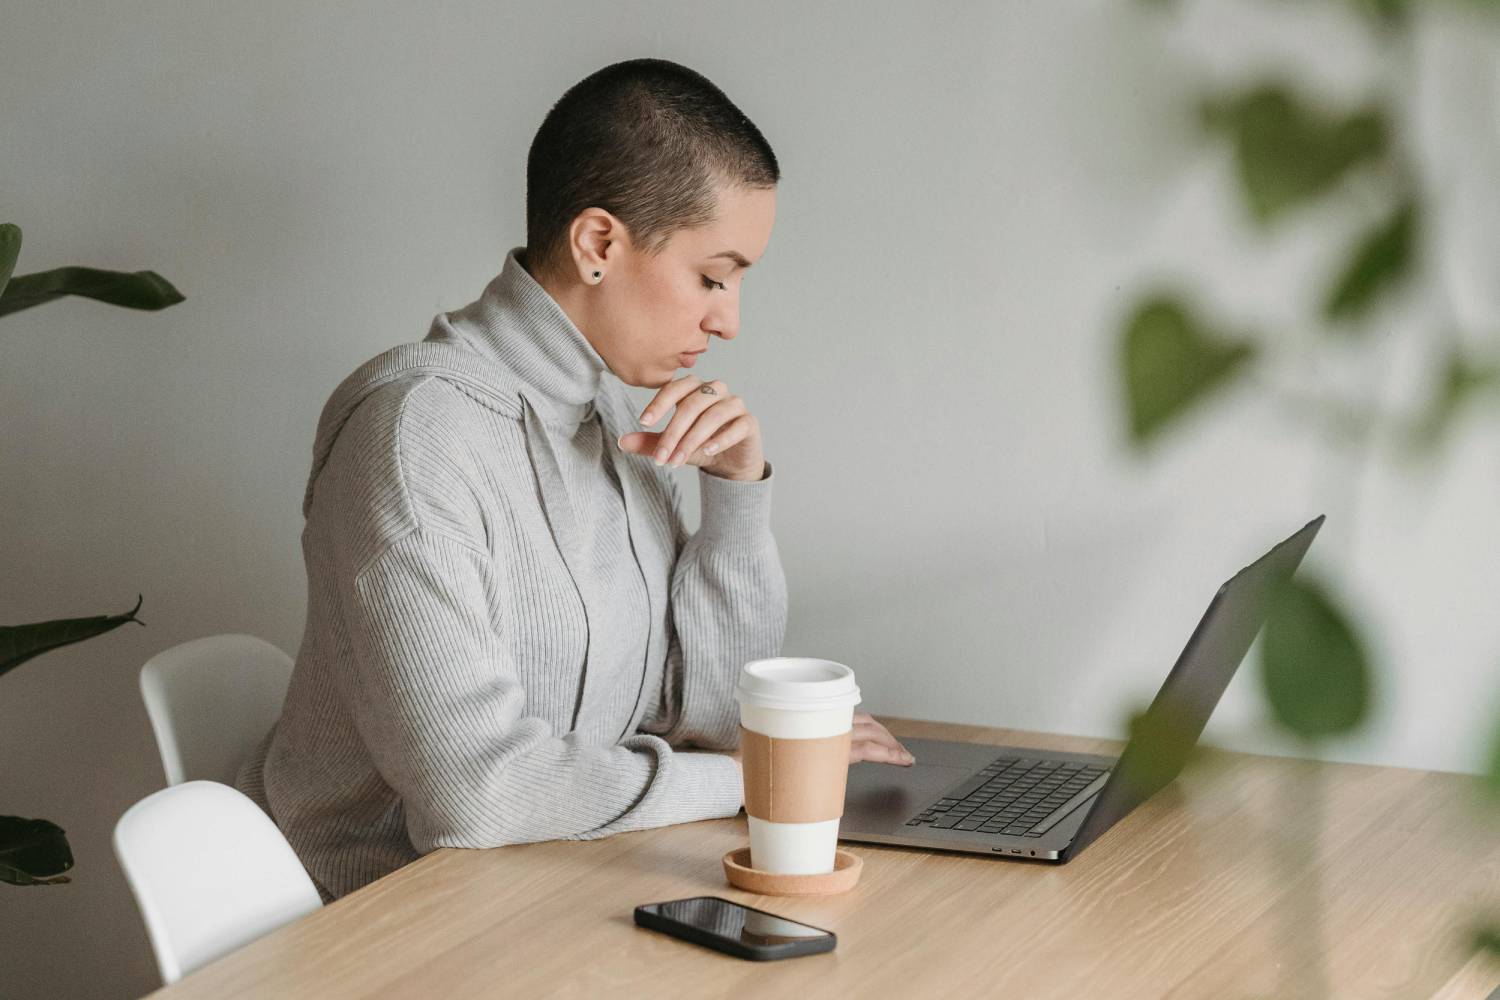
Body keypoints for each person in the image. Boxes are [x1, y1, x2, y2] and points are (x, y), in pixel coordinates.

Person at [236, 57, 913, 903]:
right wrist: (769, 780)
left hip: (558, 889)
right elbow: (475, 794)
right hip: (391, 923)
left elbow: (706, 716)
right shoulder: (414, 435)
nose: (729, 319)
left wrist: (736, 494)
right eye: (713, 275)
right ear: (598, 244)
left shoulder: (615, 418)